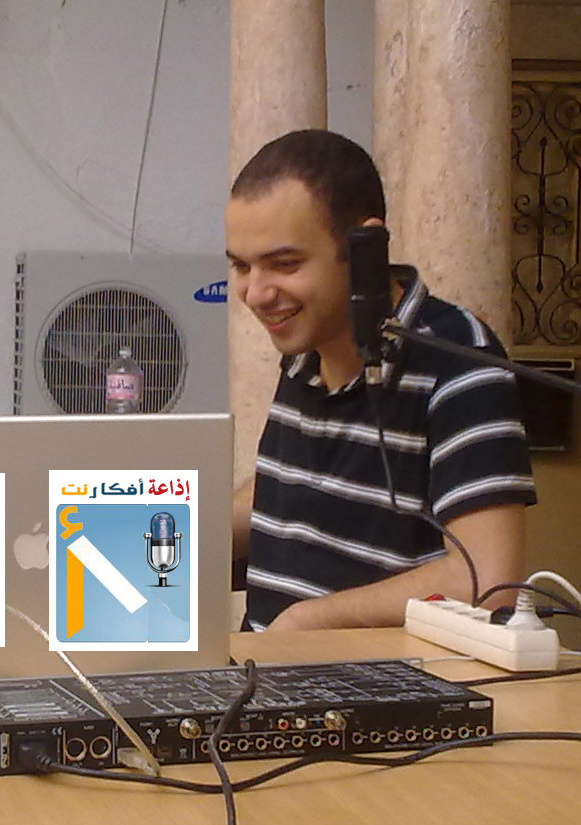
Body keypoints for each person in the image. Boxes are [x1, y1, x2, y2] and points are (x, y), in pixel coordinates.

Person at [226, 130, 535, 632]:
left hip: (362, 679)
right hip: (266, 669)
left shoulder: (460, 360)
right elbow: (291, 491)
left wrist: (307, 624)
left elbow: (487, 582)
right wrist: (157, 535)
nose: (256, 293)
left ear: (364, 248)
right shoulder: (308, 346)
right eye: (241, 266)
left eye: (284, 264)